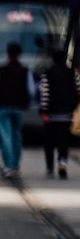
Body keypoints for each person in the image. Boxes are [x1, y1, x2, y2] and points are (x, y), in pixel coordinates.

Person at [0, 41, 35, 179]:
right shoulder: (26, 70)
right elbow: (31, 90)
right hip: (19, 107)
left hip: (3, 106)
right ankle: (15, 165)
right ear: (19, 55)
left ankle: (7, 166)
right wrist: (27, 102)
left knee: (5, 136)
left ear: (8, 54)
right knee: (17, 136)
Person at [38, 50, 80, 179]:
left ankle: (50, 167)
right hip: (67, 113)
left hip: (51, 114)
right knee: (64, 140)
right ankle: (63, 162)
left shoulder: (47, 73)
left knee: (49, 142)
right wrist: (74, 108)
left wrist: (44, 111)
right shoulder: (73, 73)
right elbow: (78, 90)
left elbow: (45, 94)